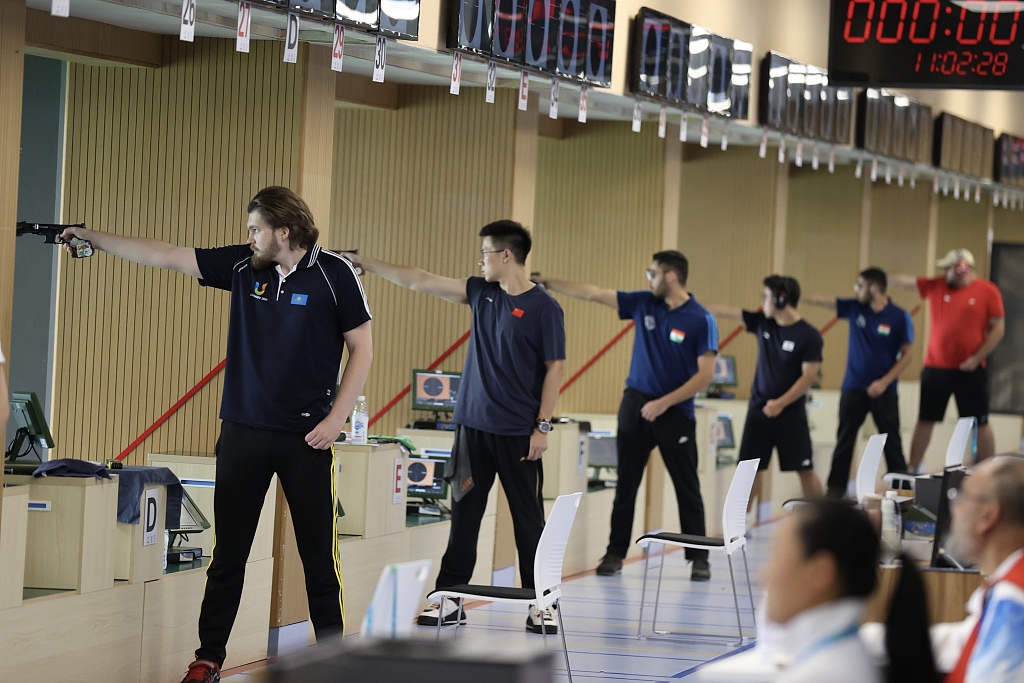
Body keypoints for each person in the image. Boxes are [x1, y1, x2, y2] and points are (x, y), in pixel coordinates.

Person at [62, 186, 373, 683]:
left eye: (255, 229)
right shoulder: (242, 266)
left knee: (318, 556)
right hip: (243, 433)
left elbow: (362, 348)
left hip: (307, 439)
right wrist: (92, 238)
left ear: (283, 231)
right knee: (229, 555)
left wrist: (336, 420)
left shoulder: (335, 274)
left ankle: (335, 660)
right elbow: (165, 254)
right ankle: (208, 659)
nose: (248, 237)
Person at [345, 220, 566, 634]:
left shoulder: (545, 308)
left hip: (520, 434)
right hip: (471, 430)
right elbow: (422, 281)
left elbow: (555, 368)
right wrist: (365, 263)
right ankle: (450, 598)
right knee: (465, 518)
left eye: (485, 252)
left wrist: (543, 426)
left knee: (528, 521)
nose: (479, 259)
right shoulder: (481, 293)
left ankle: (542, 604)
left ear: (505, 255)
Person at [536, 251, 717, 580]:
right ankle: (615, 552)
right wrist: (549, 283)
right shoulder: (643, 303)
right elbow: (594, 293)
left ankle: (699, 557)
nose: (648, 279)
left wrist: (664, 403)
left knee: (687, 486)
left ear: (672, 276)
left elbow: (705, 375)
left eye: (653, 273)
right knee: (626, 485)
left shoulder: (701, 319)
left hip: (675, 411)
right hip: (635, 403)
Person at [699, 499, 936, 683]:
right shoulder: (840, 657)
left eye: (776, 559)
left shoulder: (821, 676)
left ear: (820, 573)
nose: (763, 576)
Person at [708, 276, 824, 511]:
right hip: (759, 410)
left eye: (766, 297)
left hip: (790, 412)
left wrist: (780, 403)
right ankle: (739, 524)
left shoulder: (809, 335)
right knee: (749, 469)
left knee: (805, 469)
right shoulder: (763, 323)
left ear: (781, 299)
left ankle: (821, 518)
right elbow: (725, 311)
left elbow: (809, 376)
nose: (762, 302)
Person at [803, 268, 914, 498]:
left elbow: (908, 355)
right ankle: (834, 494)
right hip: (853, 387)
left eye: (860, 286)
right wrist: (797, 295)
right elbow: (822, 300)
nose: (856, 290)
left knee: (892, 442)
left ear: (874, 288)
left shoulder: (899, 316)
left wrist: (884, 382)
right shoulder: (854, 308)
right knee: (844, 441)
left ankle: (904, 496)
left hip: (884, 390)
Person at [891, 249, 1005, 471]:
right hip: (936, 367)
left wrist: (976, 357)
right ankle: (913, 468)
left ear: (962, 267)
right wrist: (883, 279)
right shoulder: (937, 286)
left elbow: (998, 328)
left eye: (948, 269)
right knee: (926, 419)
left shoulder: (988, 291)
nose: (945, 274)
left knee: (979, 421)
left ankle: (989, 470)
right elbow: (907, 283)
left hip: (970, 369)